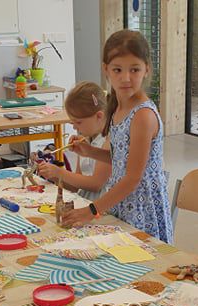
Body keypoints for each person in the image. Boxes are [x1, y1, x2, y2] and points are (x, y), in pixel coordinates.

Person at [62, 30, 173, 243]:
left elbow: (133, 177)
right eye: (117, 70)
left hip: (141, 207)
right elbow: (122, 160)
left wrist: (91, 210)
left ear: (147, 69)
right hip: (121, 202)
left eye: (134, 69)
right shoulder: (118, 108)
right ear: (106, 69)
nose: (126, 78)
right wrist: (91, 152)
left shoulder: (143, 115)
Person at [35, 81, 109, 202]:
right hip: (85, 203)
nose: (74, 127)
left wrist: (59, 172)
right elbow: (76, 186)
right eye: (72, 122)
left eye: (78, 122)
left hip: (103, 208)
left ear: (99, 116)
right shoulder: (85, 140)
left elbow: (96, 184)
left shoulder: (108, 141)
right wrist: (52, 175)